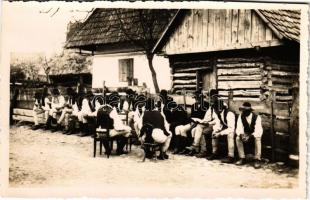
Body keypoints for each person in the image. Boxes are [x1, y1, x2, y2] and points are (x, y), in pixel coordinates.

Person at [186, 89, 219, 157]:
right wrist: (204, 121)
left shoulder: (220, 105)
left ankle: (203, 151)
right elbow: (208, 117)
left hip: (217, 124)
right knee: (199, 127)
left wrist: (209, 123)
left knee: (203, 131)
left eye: (212, 97)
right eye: (210, 97)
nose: (211, 99)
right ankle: (195, 146)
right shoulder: (211, 106)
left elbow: (219, 119)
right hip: (210, 123)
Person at [175, 91, 209, 155]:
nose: (197, 99)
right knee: (182, 129)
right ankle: (184, 148)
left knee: (193, 130)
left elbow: (206, 117)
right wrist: (192, 121)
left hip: (201, 123)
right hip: (193, 122)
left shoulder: (206, 105)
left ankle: (193, 149)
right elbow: (192, 116)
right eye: (196, 98)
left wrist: (198, 121)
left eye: (199, 98)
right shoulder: (194, 105)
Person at [235, 102, 263, 169]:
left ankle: (257, 159)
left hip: (254, 133)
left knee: (258, 138)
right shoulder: (241, 116)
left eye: (245, 111)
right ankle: (242, 158)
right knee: (238, 138)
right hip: (246, 133)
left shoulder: (257, 117)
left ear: (250, 111)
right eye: (243, 111)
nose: (244, 113)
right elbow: (239, 127)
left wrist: (250, 136)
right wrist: (242, 135)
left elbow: (258, 131)